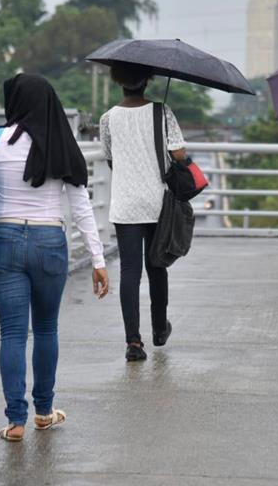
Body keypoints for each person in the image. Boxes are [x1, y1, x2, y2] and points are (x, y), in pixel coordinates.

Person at [0, 74, 110, 442]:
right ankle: (43, 412)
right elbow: (82, 207)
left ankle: (15, 421)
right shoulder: (61, 144)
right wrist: (98, 260)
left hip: (3, 240)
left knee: (13, 333)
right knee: (47, 328)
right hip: (49, 241)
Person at [99, 62, 187, 362]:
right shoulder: (162, 112)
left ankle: (133, 343)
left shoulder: (108, 118)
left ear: (118, 82)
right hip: (156, 202)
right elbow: (179, 154)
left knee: (129, 271)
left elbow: (110, 159)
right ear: (148, 80)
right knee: (156, 267)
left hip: (124, 204)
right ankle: (160, 329)